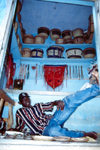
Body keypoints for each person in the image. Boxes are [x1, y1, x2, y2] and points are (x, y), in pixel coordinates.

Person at [14, 64, 100, 139]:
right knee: (53, 131)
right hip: (45, 131)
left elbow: (50, 104)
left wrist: (57, 102)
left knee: (67, 101)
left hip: (54, 120)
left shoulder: (37, 106)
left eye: (27, 98)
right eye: (24, 100)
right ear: (20, 103)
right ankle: (84, 134)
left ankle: (97, 88)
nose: (27, 100)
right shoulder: (20, 112)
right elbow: (18, 127)